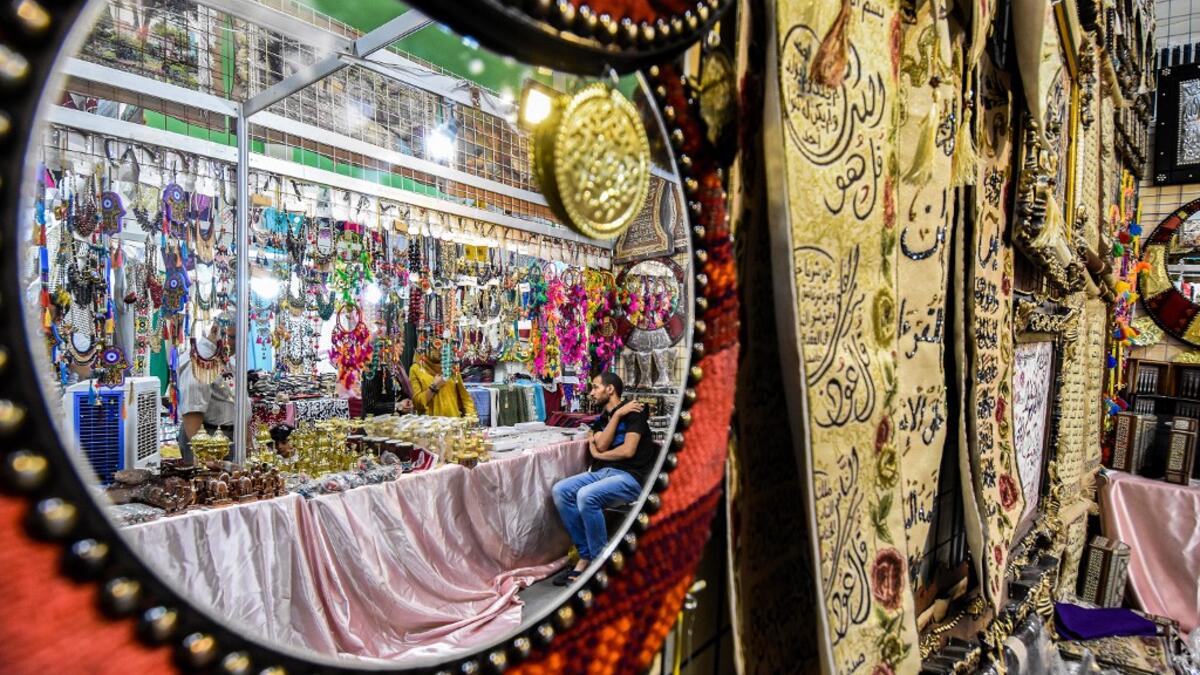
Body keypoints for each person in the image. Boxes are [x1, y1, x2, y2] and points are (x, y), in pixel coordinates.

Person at [550, 372, 657, 586]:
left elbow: (627, 451)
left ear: (610, 389)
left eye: (595, 387)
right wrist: (616, 416)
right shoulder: (603, 419)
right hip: (604, 473)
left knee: (586, 496)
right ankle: (587, 555)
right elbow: (602, 445)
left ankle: (600, 565)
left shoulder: (635, 412)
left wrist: (599, 455)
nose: (591, 392)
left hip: (631, 477)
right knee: (560, 491)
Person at [177, 314, 236, 463]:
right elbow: (192, 411)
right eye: (233, 337)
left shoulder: (223, 357)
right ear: (216, 330)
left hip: (226, 439)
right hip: (208, 442)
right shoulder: (201, 359)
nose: (239, 344)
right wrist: (206, 459)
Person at [408, 345, 477, 419]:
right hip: (429, 426)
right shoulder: (416, 369)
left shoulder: (451, 367)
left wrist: (471, 418)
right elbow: (417, 404)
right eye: (432, 346)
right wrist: (434, 386)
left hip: (453, 424)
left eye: (441, 347)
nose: (437, 350)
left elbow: (465, 398)